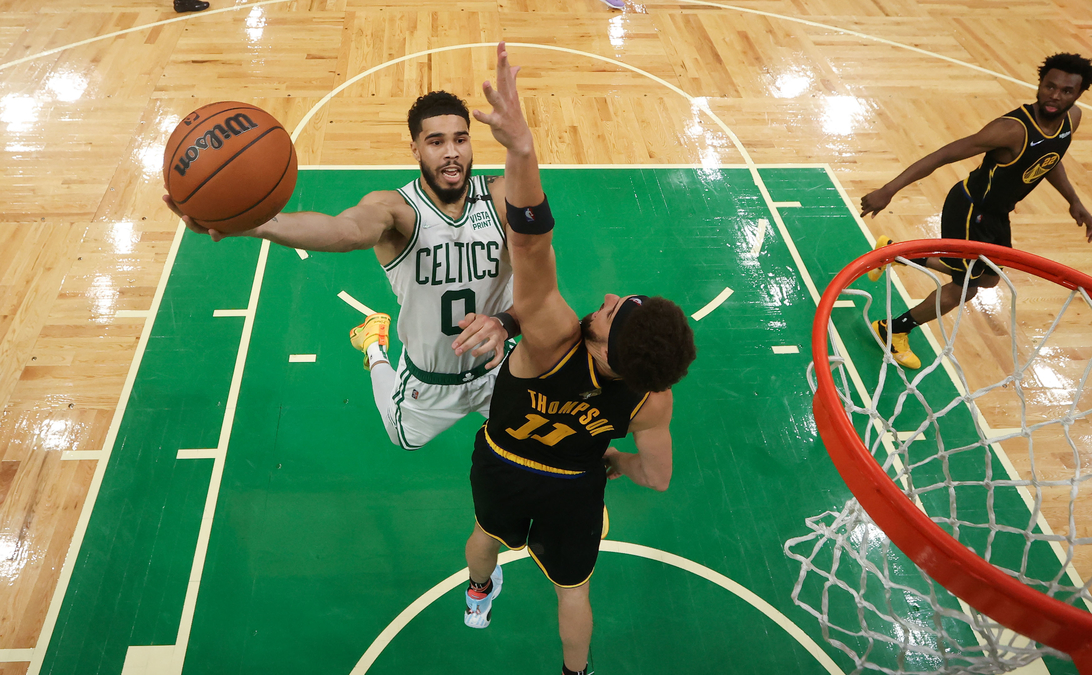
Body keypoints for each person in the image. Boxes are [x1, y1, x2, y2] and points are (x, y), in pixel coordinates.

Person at [459, 43, 696, 675]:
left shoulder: (552, 340)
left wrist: (521, 149)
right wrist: (612, 456)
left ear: (601, 340)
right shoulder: (651, 397)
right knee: (573, 590)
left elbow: (531, 244)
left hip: (504, 462)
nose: (612, 297)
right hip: (573, 484)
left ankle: (478, 596)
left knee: (485, 537)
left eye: (617, 309)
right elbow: (657, 478)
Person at [163, 91, 518, 451]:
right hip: (429, 381)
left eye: (460, 139)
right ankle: (374, 347)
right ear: (415, 149)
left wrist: (507, 322)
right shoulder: (396, 209)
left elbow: (539, 287)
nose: (451, 152)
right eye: (436, 141)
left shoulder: (502, 198)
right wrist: (256, 226)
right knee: (404, 439)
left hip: (500, 367)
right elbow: (345, 231)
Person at [859, 53, 1092, 369]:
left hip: (997, 214)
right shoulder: (1010, 130)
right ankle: (892, 329)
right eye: (1049, 86)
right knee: (965, 289)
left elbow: (1048, 160)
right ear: (1040, 84)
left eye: (1066, 91)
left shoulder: (1072, 120)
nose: (1055, 96)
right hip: (971, 210)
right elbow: (944, 154)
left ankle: (892, 253)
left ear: (1079, 95)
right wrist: (889, 190)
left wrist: (1074, 200)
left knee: (989, 280)